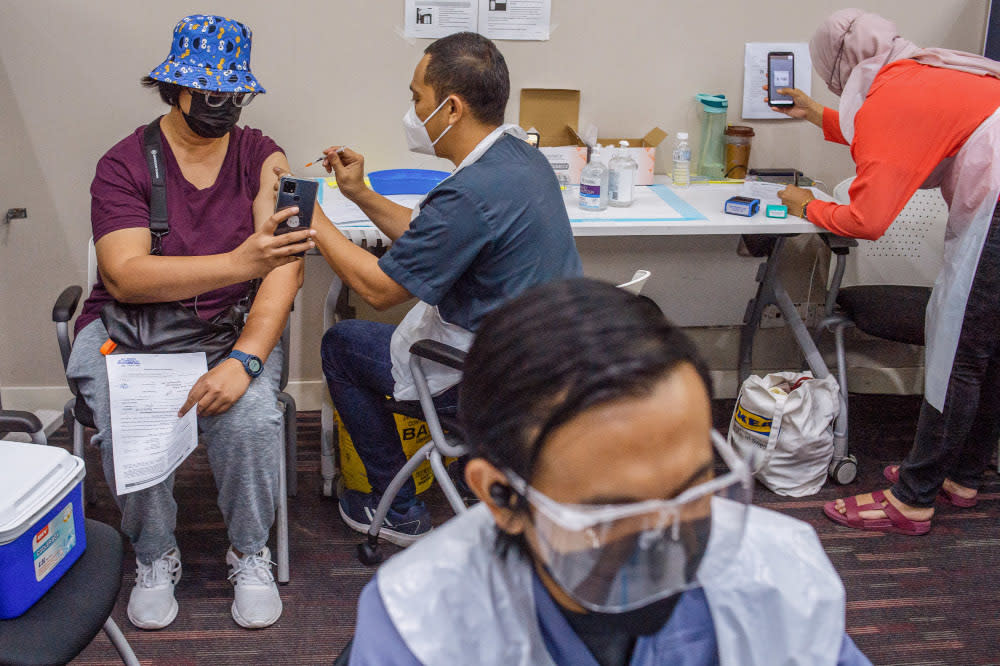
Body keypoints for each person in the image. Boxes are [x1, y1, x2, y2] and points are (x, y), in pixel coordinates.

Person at [347, 278, 870, 666]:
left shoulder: (778, 579)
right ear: (502, 497)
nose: (666, 541)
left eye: (694, 488)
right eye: (614, 509)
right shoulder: (421, 624)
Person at [67, 14, 315, 630]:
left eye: (235, 94)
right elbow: (126, 274)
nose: (223, 106)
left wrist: (247, 358)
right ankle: (154, 553)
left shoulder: (264, 156)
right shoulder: (124, 164)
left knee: (252, 415)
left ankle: (250, 552)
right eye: (209, 93)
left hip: (228, 331)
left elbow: (281, 263)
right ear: (174, 88)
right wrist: (237, 261)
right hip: (132, 333)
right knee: (133, 412)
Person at [308, 31, 583, 544]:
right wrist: (360, 194)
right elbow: (432, 235)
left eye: (417, 98)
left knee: (340, 347)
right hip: (551, 362)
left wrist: (313, 216)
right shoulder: (522, 159)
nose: (412, 111)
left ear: (450, 108)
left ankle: (397, 508)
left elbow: (379, 288)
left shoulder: (469, 193)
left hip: (490, 379)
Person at [771, 9, 1000, 535]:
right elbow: (901, 139)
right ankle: (961, 474)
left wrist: (806, 205)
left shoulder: (892, 96)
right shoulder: (922, 71)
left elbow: (867, 220)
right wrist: (815, 116)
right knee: (990, 348)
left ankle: (913, 498)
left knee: (959, 354)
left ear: (841, 66)